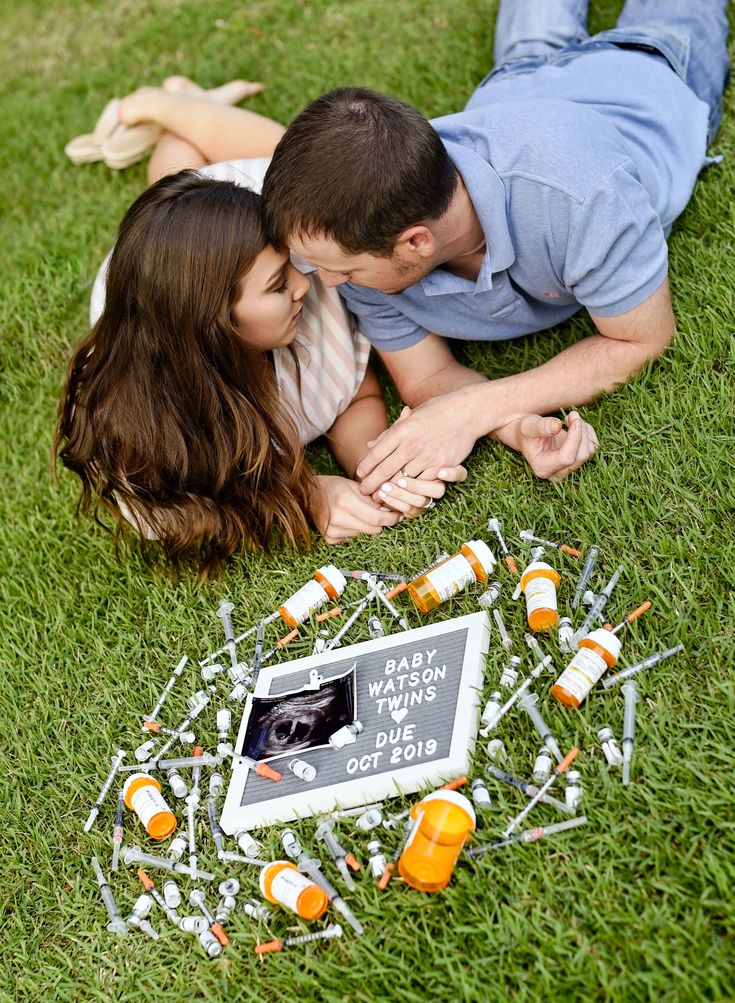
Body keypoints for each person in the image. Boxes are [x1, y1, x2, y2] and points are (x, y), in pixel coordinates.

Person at [260, 0, 730, 497]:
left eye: (344, 272)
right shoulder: (362, 233)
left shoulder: (582, 196)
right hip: (516, 81)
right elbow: (427, 375)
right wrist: (517, 423)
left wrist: (475, 407)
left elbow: (640, 340)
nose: (325, 283)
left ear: (417, 243)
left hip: (639, 69)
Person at [55, 80, 473, 572]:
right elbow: (176, 512)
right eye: (280, 285)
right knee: (170, 176)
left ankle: (168, 103)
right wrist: (308, 495)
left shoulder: (301, 271)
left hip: (243, 215)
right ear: (215, 326)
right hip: (163, 279)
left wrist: (372, 461)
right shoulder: (142, 424)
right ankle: (166, 106)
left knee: (285, 167)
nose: (308, 282)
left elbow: (352, 395)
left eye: (294, 266)